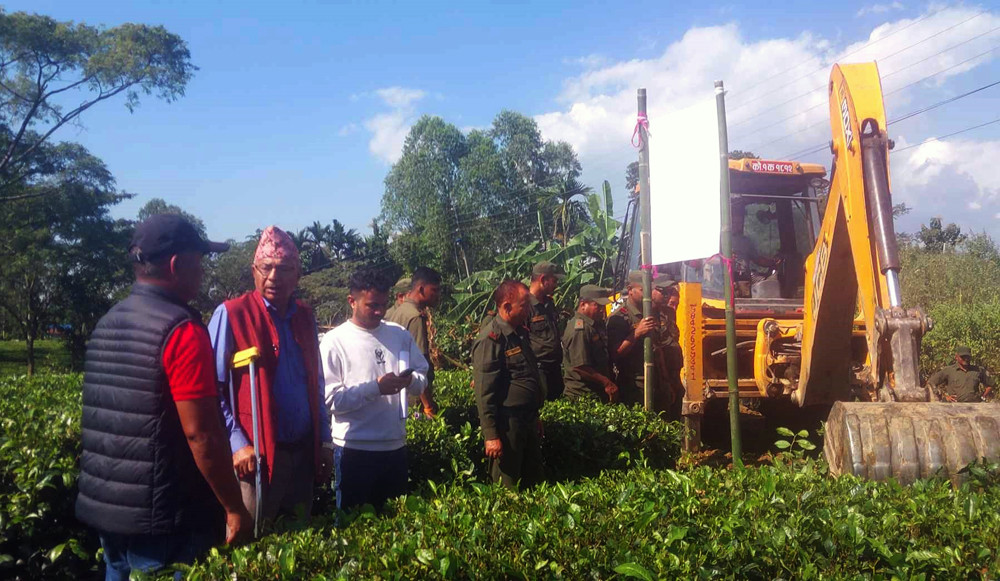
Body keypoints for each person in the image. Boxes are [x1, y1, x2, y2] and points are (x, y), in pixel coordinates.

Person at [76, 215, 252, 581]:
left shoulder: (108, 321)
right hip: (166, 523)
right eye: (199, 261)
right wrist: (234, 507)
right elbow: (200, 434)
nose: (203, 271)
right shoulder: (181, 330)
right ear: (176, 265)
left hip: (109, 513)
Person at [208, 226, 332, 526]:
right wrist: (237, 443)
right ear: (254, 271)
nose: (274, 276)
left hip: (302, 452)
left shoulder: (305, 316)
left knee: (298, 540)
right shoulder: (231, 314)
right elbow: (212, 390)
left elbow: (316, 383)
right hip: (256, 458)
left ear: (297, 274)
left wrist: (324, 440)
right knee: (250, 542)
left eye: (284, 268)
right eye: (266, 268)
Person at [321, 268, 428, 511]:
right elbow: (331, 400)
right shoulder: (335, 341)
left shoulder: (398, 334)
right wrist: (376, 388)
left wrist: (410, 381)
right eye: (372, 305)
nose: (379, 311)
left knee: (396, 528)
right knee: (354, 529)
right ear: (352, 301)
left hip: (395, 447)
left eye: (383, 304)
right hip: (354, 451)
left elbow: (422, 376)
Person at [472, 280, 545, 489]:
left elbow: (527, 375)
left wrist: (535, 415)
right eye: (524, 306)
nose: (529, 310)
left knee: (534, 481)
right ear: (506, 307)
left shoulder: (519, 333)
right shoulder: (491, 339)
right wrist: (491, 435)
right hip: (508, 424)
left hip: (527, 420)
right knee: (509, 486)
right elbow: (484, 391)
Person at [385, 267, 441, 417]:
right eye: (434, 290)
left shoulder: (401, 310)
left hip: (400, 395)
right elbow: (419, 365)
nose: (437, 296)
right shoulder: (415, 317)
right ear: (421, 289)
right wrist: (428, 406)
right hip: (414, 398)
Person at [607, 270, 660, 406]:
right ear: (630, 290)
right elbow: (615, 353)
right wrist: (636, 334)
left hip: (656, 379)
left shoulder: (652, 313)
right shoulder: (620, 317)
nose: (647, 295)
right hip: (634, 383)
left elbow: (658, 349)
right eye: (643, 290)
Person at [562, 285, 617, 403]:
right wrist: (606, 382)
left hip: (594, 393)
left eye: (603, 306)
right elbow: (580, 367)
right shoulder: (580, 329)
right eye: (597, 305)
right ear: (583, 305)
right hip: (582, 396)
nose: (602, 309)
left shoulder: (593, 325)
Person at [527, 261, 566, 400]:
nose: (556, 285)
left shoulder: (549, 304)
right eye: (554, 280)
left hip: (554, 368)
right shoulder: (525, 306)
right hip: (539, 370)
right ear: (543, 280)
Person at [652, 282, 684, 418]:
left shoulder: (671, 315)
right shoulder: (655, 315)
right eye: (672, 303)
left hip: (675, 373)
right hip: (662, 373)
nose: (674, 307)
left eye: (677, 304)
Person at [927, 346, 996, 402]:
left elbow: (991, 384)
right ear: (956, 357)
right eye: (963, 357)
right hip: (954, 407)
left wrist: (983, 397)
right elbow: (931, 382)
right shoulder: (949, 370)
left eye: (967, 357)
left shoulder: (978, 370)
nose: (966, 359)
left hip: (974, 406)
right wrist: (944, 397)